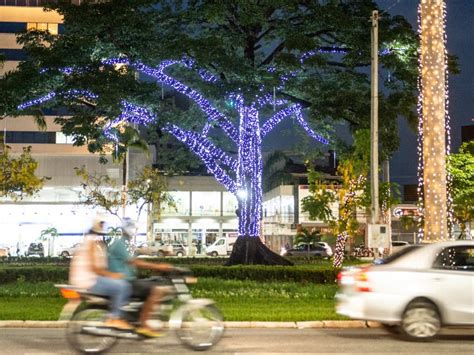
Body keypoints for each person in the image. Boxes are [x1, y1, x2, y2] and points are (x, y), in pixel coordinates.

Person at [107, 218, 173, 337]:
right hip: (125, 282)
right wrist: (158, 267)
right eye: (133, 227)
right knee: (156, 290)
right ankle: (144, 325)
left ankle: (138, 316)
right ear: (126, 229)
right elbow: (135, 262)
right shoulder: (120, 243)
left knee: (153, 282)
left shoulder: (125, 243)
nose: (135, 230)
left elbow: (137, 256)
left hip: (129, 280)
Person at [69, 215, 133, 330]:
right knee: (122, 286)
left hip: (86, 279)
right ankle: (114, 317)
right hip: (89, 281)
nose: (104, 226)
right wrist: (112, 275)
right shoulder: (92, 243)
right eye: (102, 224)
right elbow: (95, 268)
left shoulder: (90, 241)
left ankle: (113, 313)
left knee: (118, 285)